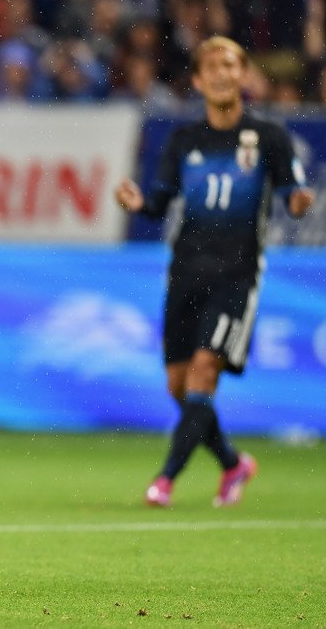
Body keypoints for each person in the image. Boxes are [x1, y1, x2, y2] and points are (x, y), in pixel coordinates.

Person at [114, 36, 316, 508]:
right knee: (179, 386)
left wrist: (299, 201)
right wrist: (138, 202)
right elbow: (158, 203)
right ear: (201, 80)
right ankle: (233, 463)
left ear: (243, 74)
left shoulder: (269, 137)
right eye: (213, 66)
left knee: (205, 371)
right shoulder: (184, 140)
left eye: (231, 64)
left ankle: (164, 480)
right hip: (185, 272)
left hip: (237, 275)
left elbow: (293, 193)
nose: (223, 72)